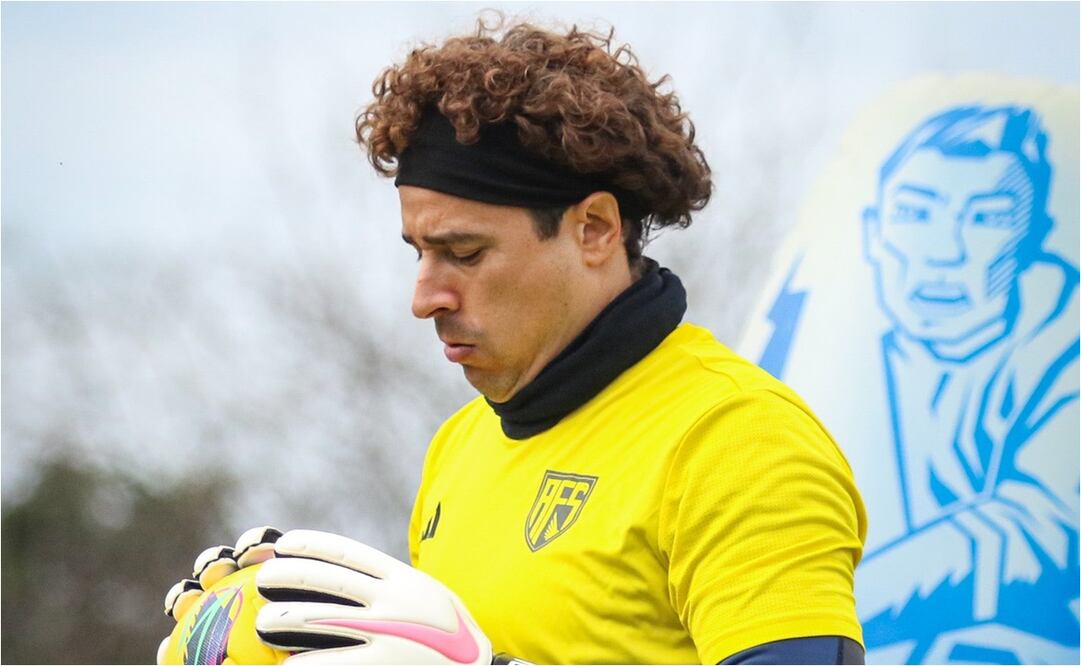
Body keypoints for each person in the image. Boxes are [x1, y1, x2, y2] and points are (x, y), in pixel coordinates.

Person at [161, 20, 867, 665]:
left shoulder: (737, 440)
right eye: (418, 252)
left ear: (593, 229)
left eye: (463, 254)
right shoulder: (459, 446)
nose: (423, 297)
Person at [857, 105, 1079, 663]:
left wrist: (813, 613)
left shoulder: (1064, 344)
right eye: (916, 213)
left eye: (986, 219)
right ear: (872, 232)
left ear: (1033, 240)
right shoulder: (816, 342)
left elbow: (1038, 527)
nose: (943, 252)